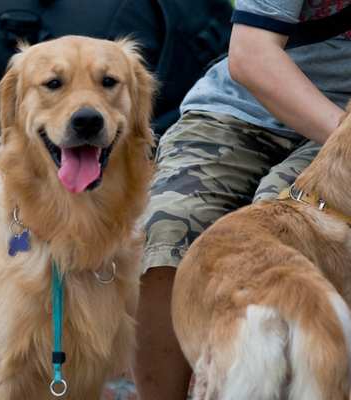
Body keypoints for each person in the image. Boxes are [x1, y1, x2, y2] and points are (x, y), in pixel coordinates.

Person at [133, 0, 351, 399]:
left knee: (284, 243)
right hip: (240, 110)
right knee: (168, 225)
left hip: (341, 127)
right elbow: (251, 56)